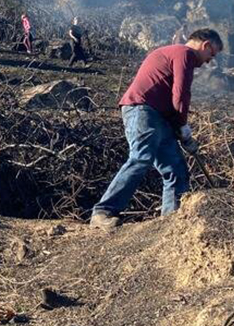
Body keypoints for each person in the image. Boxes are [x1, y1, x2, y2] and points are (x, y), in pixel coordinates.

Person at [90, 28, 224, 229]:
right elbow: (180, 94)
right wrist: (183, 128)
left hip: (160, 117)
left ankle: (169, 224)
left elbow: (172, 98)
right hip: (143, 110)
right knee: (141, 158)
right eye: (211, 54)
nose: (208, 61)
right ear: (205, 45)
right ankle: (103, 212)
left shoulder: (173, 53)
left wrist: (178, 129)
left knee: (175, 169)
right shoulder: (183, 53)